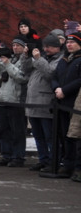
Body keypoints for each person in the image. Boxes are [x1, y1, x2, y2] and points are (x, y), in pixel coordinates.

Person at [26, 35, 63, 172]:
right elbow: (25, 70)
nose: (45, 49)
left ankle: (54, 162)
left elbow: (50, 74)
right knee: (38, 135)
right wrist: (26, 56)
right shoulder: (42, 58)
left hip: (46, 102)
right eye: (45, 46)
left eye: (49, 47)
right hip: (33, 102)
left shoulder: (59, 59)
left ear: (57, 47)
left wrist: (38, 59)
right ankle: (43, 160)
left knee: (49, 136)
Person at [0, 38, 30, 167]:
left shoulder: (25, 61)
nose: (15, 48)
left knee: (17, 131)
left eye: (18, 45)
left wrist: (8, 64)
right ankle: (6, 154)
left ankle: (18, 156)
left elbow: (21, 77)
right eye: (13, 45)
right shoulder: (9, 59)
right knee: (3, 130)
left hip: (16, 100)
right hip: (3, 99)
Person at [53, 32, 81, 179]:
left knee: (75, 137)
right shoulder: (64, 59)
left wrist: (65, 90)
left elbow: (79, 80)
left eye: (72, 42)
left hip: (74, 102)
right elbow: (55, 76)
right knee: (64, 135)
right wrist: (57, 88)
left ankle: (77, 167)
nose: (69, 44)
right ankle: (67, 165)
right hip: (61, 102)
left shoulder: (79, 60)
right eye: (68, 42)